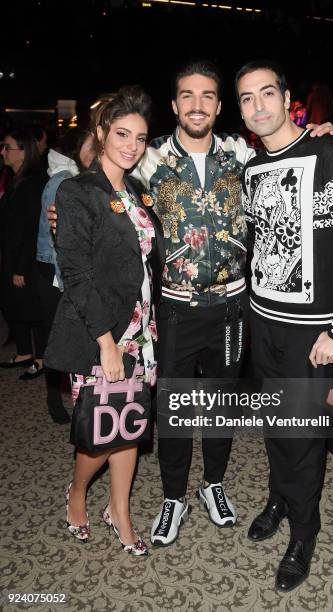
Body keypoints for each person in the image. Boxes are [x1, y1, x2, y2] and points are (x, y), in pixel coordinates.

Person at [48, 60, 333, 548]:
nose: (198, 105)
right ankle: (172, 497)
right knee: (176, 407)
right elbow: (99, 168)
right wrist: (68, 207)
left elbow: (282, 143)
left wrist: (318, 133)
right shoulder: (148, 157)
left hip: (232, 308)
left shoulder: (239, 154)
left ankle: (214, 486)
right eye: (188, 95)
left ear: (220, 105)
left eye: (208, 96)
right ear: (175, 105)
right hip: (174, 309)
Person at [236, 60, 333, 591]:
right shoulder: (250, 169)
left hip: (310, 330)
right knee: (276, 427)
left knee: (302, 436)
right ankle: (278, 497)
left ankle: (304, 532)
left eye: (267, 93)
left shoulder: (327, 151)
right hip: (262, 322)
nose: (259, 105)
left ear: (286, 95)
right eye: (247, 98)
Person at [44, 86, 164, 556]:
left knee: (130, 425)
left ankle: (120, 512)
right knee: (100, 431)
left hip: (142, 333)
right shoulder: (77, 191)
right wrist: (107, 342)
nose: (131, 145)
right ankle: (77, 497)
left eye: (140, 136)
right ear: (100, 133)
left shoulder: (137, 192)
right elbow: (76, 272)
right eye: (121, 133)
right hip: (103, 333)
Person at [36, 127, 94, 424]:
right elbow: (55, 242)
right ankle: (54, 401)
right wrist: (68, 285)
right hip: (56, 276)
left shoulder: (75, 177)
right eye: (90, 146)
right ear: (75, 150)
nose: (95, 151)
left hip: (61, 275)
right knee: (59, 342)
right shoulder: (63, 180)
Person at [0, 129, 48, 378]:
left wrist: (20, 267)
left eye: (7, 147)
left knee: (31, 308)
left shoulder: (32, 182)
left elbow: (31, 229)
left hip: (25, 259)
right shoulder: (17, 178)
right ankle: (23, 353)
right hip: (11, 254)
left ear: (23, 151)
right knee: (13, 305)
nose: (2, 152)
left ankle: (39, 359)